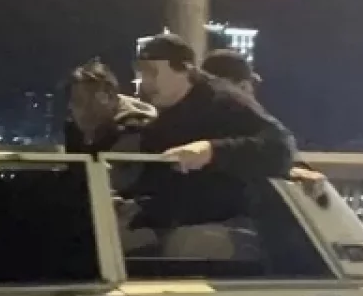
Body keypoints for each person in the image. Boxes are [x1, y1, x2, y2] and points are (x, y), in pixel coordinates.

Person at [125, 33, 298, 258]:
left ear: (185, 69)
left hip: (241, 223)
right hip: (182, 219)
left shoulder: (225, 101)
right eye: (142, 73)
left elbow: (280, 146)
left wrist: (211, 151)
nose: (146, 83)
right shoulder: (161, 121)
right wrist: (134, 204)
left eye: (152, 72)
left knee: (189, 245)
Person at [201, 48, 329, 195]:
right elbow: (270, 151)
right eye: (249, 87)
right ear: (242, 86)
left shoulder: (195, 113)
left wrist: (293, 169)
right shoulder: (235, 118)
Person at [63, 58, 156, 155]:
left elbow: (113, 164)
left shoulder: (134, 132)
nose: (84, 109)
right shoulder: (75, 131)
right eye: (77, 101)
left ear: (112, 97)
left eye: (92, 99)